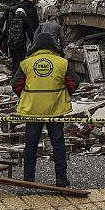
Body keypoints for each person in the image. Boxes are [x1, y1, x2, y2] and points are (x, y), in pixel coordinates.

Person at [12, 33, 79, 187]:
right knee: (58, 144)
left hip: (32, 109)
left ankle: (28, 179)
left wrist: (26, 97)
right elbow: (74, 82)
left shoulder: (26, 63)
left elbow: (16, 84)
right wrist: (63, 94)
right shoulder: (62, 63)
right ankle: (61, 179)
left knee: (31, 144)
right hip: (55, 109)